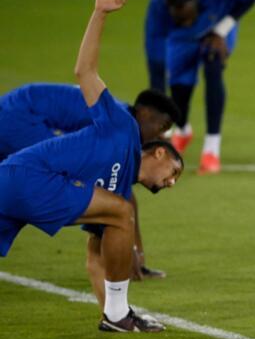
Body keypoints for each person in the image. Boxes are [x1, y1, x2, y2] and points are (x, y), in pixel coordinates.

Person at [0, 0, 184, 332]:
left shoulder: (114, 189)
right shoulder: (122, 125)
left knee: (118, 213)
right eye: (174, 171)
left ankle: (115, 316)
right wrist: (100, 13)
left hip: (15, 184)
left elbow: (95, 258)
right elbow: (85, 72)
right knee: (122, 211)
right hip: (29, 174)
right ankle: (118, 315)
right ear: (159, 151)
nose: (172, 182)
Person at [0, 83, 180, 280]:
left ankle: (132, 260)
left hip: (16, 110)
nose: (160, 137)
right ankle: (128, 269)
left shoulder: (119, 123)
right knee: (40, 175)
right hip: (19, 118)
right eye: (162, 128)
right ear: (144, 113)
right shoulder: (119, 121)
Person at [145, 0, 255, 174]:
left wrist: (222, 30)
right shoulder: (158, 8)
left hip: (216, 23)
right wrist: (161, 129)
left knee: (213, 63)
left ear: (196, 0)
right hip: (181, 38)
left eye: (189, 16)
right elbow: (157, 72)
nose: (188, 22)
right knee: (179, 92)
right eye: (180, 18)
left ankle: (211, 150)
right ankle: (182, 131)